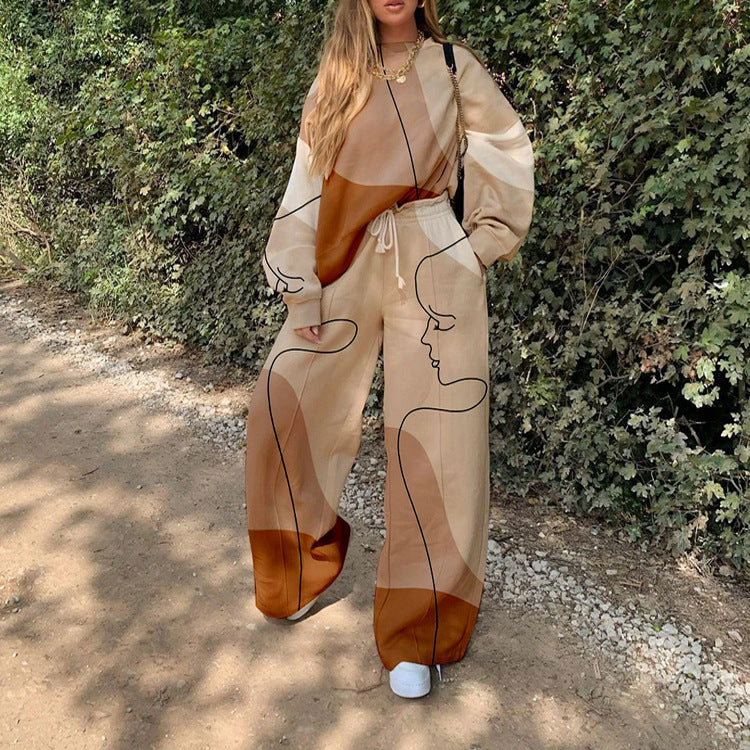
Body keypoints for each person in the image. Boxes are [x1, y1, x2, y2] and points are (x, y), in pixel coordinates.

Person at [244, 0, 535, 699]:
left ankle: (417, 630)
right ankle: (296, 569)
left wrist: (475, 248)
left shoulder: (452, 66)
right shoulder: (339, 74)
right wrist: (300, 288)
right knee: (283, 410)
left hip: (434, 258)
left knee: (438, 443)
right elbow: (306, 183)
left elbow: (506, 151)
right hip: (342, 265)